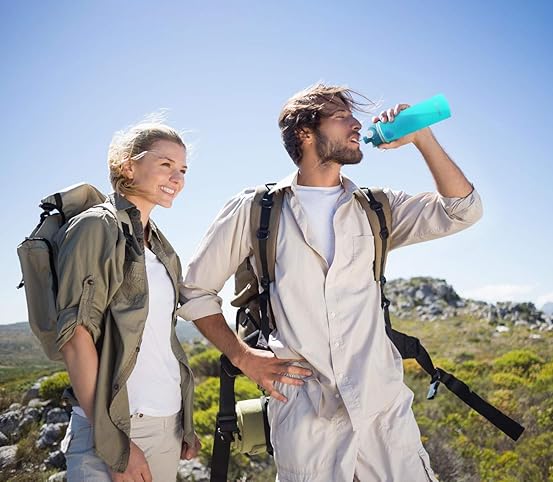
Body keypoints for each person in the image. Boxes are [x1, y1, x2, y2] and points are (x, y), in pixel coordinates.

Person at [179, 83, 483, 481]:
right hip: (306, 422)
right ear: (306, 133)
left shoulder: (376, 208)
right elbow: (196, 292)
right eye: (342, 117)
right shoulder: (256, 210)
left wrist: (422, 138)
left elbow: (463, 211)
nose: (357, 124)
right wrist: (243, 358)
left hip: (383, 417)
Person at [57, 120, 201, 481]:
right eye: (166, 164)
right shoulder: (95, 227)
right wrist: (115, 444)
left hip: (166, 423)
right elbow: (75, 339)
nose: (177, 177)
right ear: (128, 167)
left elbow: (160, 340)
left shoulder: (162, 247)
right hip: (117, 429)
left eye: (183, 169)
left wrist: (184, 421)